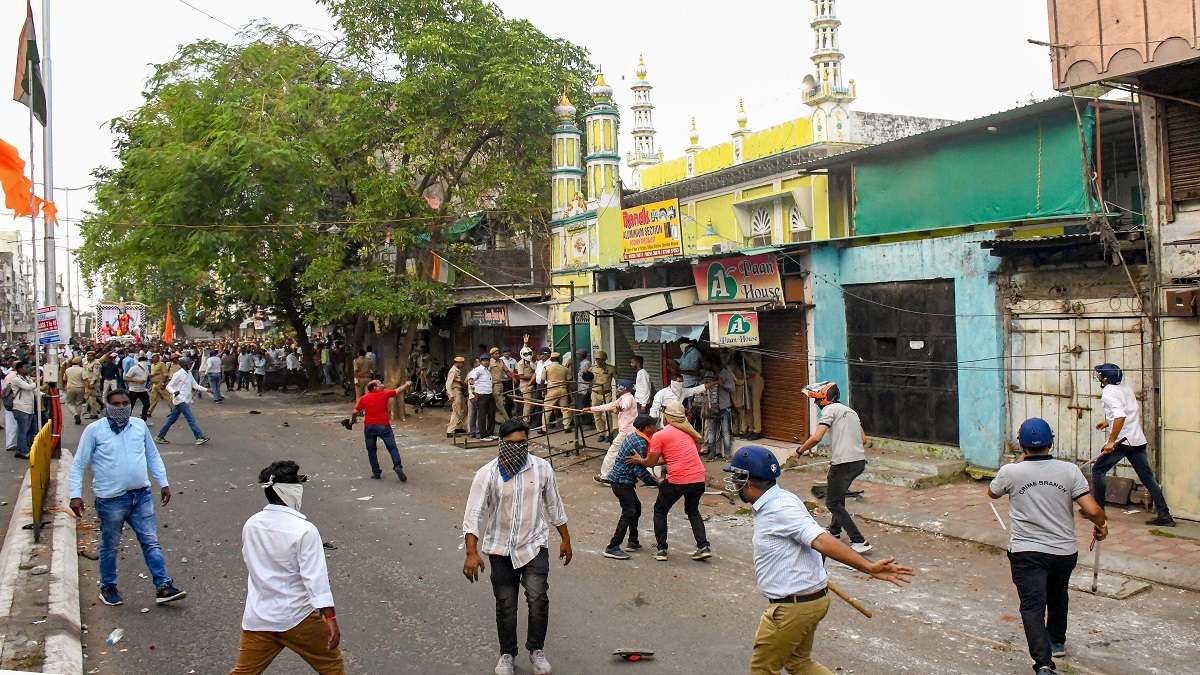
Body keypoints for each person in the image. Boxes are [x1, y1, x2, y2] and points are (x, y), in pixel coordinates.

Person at [722, 445, 914, 675]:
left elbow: (822, 541)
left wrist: (868, 567)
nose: (733, 483)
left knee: (762, 669)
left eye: (736, 477)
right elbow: (814, 541)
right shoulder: (783, 498)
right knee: (798, 663)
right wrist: (812, 573)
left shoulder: (779, 509)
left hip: (792, 607)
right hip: (810, 600)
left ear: (748, 481)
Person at [989, 418, 1108, 675]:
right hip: (1064, 551)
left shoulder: (1011, 472)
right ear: (1051, 442)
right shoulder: (1069, 470)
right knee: (1058, 594)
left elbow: (993, 493)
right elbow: (1093, 510)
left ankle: (1043, 664)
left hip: (1026, 551)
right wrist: (1101, 525)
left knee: (1032, 606)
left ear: (1021, 443)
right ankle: (1056, 642)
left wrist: (1019, 462)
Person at [461, 420, 571, 675]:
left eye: (523, 443)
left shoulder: (542, 468)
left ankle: (536, 650)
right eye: (512, 444)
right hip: (500, 549)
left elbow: (554, 505)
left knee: (538, 599)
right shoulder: (487, 474)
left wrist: (565, 539)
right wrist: (471, 552)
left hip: (534, 544)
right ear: (501, 443)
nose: (518, 448)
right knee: (506, 605)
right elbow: (473, 514)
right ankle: (507, 654)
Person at [69, 389, 187, 607]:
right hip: (111, 499)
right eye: (117, 403)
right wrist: (75, 494)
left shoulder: (139, 426)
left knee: (150, 541)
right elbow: (78, 464)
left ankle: (163, 586)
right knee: (110, 546)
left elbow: (152, 455)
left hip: (141, 496)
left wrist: (163, 482)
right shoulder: (94, 431)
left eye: (125, 403)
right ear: (107, 405)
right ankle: (108, 586)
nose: (122, 407)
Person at [231, 460, 343, 674]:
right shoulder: (305, 530)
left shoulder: (252, 524)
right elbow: (315, 580)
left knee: (243, 672)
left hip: (259, 618)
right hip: (298, 616)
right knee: (331, 665)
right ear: (291, 492)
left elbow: (251, 561)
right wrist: (330, 618)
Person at [1090, 363, 1175, 527]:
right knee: (1148, 478)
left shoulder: (1108, 391)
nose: (1098, 377)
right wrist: (1107, 422)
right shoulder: (1125, 388)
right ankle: (1165, 515)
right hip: (1136, 439)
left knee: (1098, 470)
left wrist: (1111, 441)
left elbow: (1120, 417)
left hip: (1123, 441)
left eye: (1100, 374)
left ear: (1106, 378)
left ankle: (1098, 511)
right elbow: (1128, 412)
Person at [792, 381, 872, 553]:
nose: (817, 404)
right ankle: (834, 531)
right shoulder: (851, 411)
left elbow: (816, 437)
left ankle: (859, 540)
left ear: (826, 399)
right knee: (838, 496)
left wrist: (799, 451)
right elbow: (864, 440)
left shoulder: (830, 410)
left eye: (818, 401)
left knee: (832, 502)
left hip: (843, 464)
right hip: (858, 463)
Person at [626, 401, 710, 562]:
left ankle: (662, 549)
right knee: (693, 511)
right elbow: (669, 457)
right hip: (698, 478)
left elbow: (650, 463)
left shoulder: (660, 435)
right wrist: (646, 460)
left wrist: (639, 460)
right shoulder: (688, 433)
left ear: (667, 417)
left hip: (678, 479)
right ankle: (703, 546)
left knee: (660, 510)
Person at [602, 415, 659, 560]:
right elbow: (638, 469)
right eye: (653, 425)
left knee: (636, 508)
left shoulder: (636, 436)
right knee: (630, 511)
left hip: (620, 480)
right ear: (646, 428)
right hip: (622, 482)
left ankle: (633, 541)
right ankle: (613, 546)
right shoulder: (640, 443)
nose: (656, 427)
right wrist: (656, 482)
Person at [350, 380, 410, 482]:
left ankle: (376, 472)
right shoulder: (384, 394)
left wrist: (353, 419)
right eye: (379, 384)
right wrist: (407, 384)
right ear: (374, 387)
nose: (382, 384)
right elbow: (397, 390)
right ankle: (397, 466)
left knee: (371, 450)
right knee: (392, 447)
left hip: (369, 427)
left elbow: (355, 411)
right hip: (384, 426)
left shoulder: (364, 398)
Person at [590, 379, 639, 482]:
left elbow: (624, 407)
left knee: (613, 452)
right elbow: (609, 406)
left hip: (626, 432)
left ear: (623, 389)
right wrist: (591, 409)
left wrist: (620, 409)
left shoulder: (628, 398)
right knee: (630, 453)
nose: (616, 389)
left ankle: (606, 477)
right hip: (630, 431)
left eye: (618, 387)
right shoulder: (623, 398)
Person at [156, 357, 211, 445]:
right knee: (191, 419)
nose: (191, 365)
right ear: (185, 365)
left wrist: (206, 389)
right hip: (180, 400)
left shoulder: (189, 373)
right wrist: (174, 392)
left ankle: (160, 436)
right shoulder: (178, 374)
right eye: (189, 363)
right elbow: (168, 386)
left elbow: (195, 385)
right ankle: (199, 437)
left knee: (171, 420)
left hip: (184, 400)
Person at [700, 362, 735, 460]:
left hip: (724, 407)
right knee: (711, 433)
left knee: (725, 432)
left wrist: (722, 384)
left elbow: (732, 388)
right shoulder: (708, 375)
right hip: (711, 408)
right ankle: (712, 454)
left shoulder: (726, 374)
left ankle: (727, 455)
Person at [6, 362, 37, 459]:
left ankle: (22, 449)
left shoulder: (27, 379)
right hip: (21, 408)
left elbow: (33, 389)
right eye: (25, 367)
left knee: (30, 430)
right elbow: (28, 387)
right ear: (19, 369)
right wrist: (36, 382)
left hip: (29, 408)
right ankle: (23, 451)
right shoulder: (16, 380)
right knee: (23, 431)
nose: (27, 369)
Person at [540, 352, 572, 434]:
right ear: (559, 359)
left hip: (551, 390)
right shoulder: (564, 368)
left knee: (547, 409)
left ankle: (544, 428)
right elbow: (569, 380)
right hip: (563, 390)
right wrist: (568, 391)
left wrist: (543, 391)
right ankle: (566, 427)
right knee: (565, 409)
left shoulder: (546, 368)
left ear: (550, 359)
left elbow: (542, 381)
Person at [468, 354, 497, 440]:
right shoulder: (478, 369)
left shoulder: (487, 370)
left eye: (488, 360)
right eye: (484, 360)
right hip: (481, 395)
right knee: (482, 415)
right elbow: (471, 379)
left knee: (492, 414)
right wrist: (473, 386)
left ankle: (490, 433)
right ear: (481, 362)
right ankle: (483, 435)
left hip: (489, 394)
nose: (486, 362)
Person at [742, 351, 765, 440]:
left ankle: (757, 430)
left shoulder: (756, 353)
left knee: (755, 405)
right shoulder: (743, 352)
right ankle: (751, 428)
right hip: (747, 378)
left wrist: (746, 357)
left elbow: (758, 368)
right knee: (748, 405)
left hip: (756, 378)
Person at [124, 354, 152, 420]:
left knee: (147, 404)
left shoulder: (146, 368)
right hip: (133, 390)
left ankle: (143, 419)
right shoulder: (134, 368)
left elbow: (148, 376)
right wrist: (137, 380)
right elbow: (126, 378)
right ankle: (126, 419)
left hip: (142, 390)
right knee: (130, 406)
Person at [445, 356, 468, 437]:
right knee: (456, 411)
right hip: (455, 392)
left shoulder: (457, 370)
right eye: (461, 363)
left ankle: (458, 427)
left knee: (464, 410)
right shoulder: (453, 371)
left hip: (459, 392)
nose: (462, 364)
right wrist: (450, 395)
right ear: (457, 363)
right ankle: (450, 431)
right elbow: (448, 384)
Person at [147, 354, 173, 419]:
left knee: (167, 398)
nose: (153, 358)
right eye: (152, 357)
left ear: (158, 358)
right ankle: (149, 412)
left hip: (161, 383)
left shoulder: (161, 364)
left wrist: (163, 383)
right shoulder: (152, 365)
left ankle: (174, 411)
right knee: (153, 399)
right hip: (154, 384)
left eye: (154, 357)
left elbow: (166, 374)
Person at [64, 357, 87, 426]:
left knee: (69, 403)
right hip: (80, 388)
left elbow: (64, 379)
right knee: (79, 403)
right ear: (79, 362)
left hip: (70, 388)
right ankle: (78, 416)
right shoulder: (82, 370)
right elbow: (85, 379)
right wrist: (87, 389)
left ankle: (75, 414)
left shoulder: (67, 370)